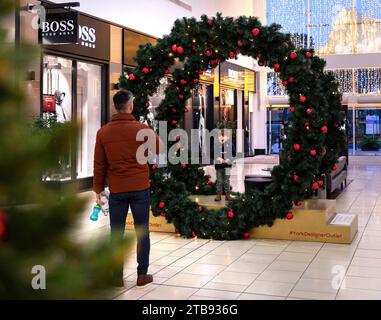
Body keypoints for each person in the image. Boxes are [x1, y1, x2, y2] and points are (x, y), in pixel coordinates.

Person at [93, 90, 162, 288]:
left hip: (117, 188)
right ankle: (142, 275)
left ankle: (116, 276)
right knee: (142, 231)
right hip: (140, 187)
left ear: (116, 106)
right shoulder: (141, 129)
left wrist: (98, 189)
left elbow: (99, 164)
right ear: (130, 106)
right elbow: (159, 149)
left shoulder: (103, 132)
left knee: (116, 233)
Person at [214, 129, 235, 201]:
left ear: (228, 137)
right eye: (221, 136)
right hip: (218, 166)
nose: (222, 138)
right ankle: (218, 194)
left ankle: (227, 194)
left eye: (224, 136)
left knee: (227, 180)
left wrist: (229, 159)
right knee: (219, 180)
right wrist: (219, 159)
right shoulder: (216, 144)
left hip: (228, 166)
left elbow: (234, 154)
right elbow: (213, 154)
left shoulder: (231, 144)